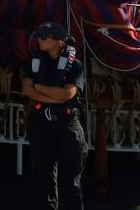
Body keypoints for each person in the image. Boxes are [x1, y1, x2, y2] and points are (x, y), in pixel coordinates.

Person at [21, 22, 86, 210]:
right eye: (39, 36)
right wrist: (52, 96)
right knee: (44, 176)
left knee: (70, 182)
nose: (39, 40)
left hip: (67, 124)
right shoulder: (35, 61)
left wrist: (39, 88)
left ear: (59, 42)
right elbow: (27, 90)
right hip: (41, 122)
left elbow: (67, 95)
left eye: (45, 37)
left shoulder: (75, 66)